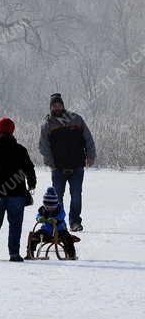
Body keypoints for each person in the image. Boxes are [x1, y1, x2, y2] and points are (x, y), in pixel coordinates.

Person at [0, 117, 37, 262]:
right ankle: (14, 254)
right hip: (17, 193)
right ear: (12, 131)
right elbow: (29, 168)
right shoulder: (20, 150)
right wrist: (32, 184)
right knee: (15, 224)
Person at [38, 93, 95, 232]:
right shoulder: (47, 125)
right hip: (58, 168)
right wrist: (51, 163)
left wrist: (91, 155)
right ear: (51, 107)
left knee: (76, 196)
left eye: (59, 105)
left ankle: (75, 222)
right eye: (54, 105)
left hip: (77, 166)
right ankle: (59, 223)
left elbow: (88, 138)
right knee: (57, 198)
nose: (57, 107)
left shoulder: (76, 119)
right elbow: (43, 146)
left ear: (63, 105)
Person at [26, 186, 79, 260]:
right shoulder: (43, 210)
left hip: (60, 231)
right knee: (34, 237)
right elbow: (38, 216)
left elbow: (62, 215)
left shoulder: (59, 209)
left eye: (52, 206)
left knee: (67, 238)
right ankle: (30, 253)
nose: (50, 208)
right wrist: (40, 219)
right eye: (47, 207)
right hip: (46, 231)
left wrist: (56, 219)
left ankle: (71, 254)